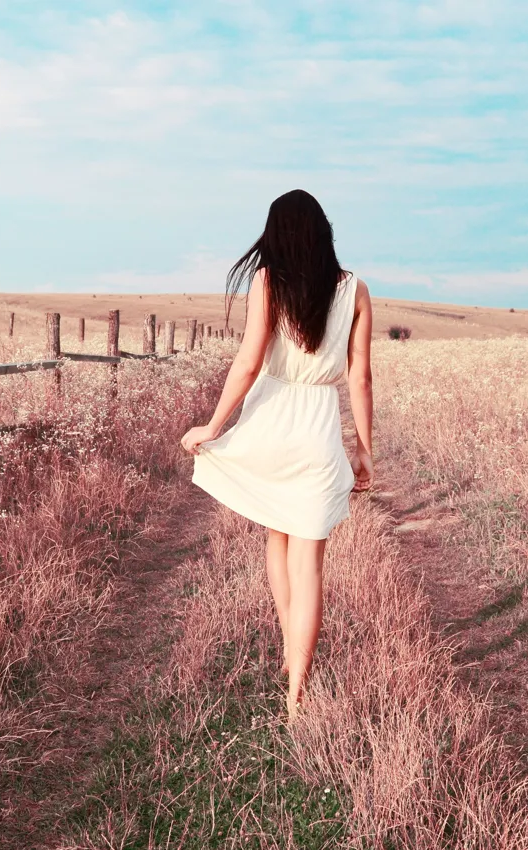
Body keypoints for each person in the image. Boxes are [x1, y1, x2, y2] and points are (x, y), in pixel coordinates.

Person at [180, 189, 374, 723]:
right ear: (322, 232)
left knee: (276, 537)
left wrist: (212, 427)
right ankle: (298, 695)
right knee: (309, 564)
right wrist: (363, 452)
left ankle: (292, 665)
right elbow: (359, 377)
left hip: (269, 426)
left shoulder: (268, 282)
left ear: (277, 234)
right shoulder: (355, 290)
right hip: (317, 433)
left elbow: (247, 362)